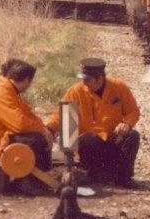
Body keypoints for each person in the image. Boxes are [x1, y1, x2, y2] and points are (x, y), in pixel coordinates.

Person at [46, 58, 142, 188]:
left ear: (99, 79)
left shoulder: (119, 87)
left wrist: (127, 124)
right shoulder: (75, 91)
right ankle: (94, 176)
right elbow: (61, 115)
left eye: (87, 79)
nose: (83, 82)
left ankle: (124, 177)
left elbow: (133, 111)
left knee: (132, 136)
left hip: (113, 138)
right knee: (89, 139)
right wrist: (49, 129)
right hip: (90, 144)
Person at [0, 58, 54, 194]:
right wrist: (42, 131)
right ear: (26, 80)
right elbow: (20, 124)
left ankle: (36, 179)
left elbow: (28, 114)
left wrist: (44, 129)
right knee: (35, 140)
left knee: (38, 136)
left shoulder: (9, 90)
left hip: (1, 136)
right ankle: (25, 182)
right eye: (30, 82)